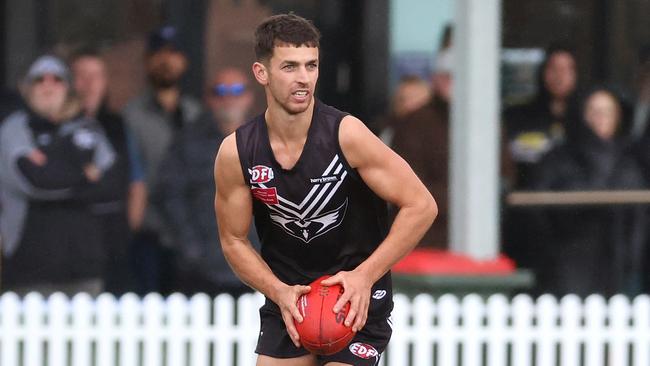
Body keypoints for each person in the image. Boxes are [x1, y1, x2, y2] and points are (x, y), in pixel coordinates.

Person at [214, 14, 437, 365]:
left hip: (354, 295)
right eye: (289, 67)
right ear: (262, 73)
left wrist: (365, 275)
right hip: (290, 296)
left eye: (311, 66)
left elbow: (421, 206)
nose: (303, 78)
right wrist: (278, 291)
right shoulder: (237, 152)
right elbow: (233, 240)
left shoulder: (347, 135)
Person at [0, 55, 115, 296]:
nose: (48, 85)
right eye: (39, 79)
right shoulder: (13, 130)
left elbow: (108, 183)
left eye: (57, 79)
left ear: (68, 88)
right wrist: (83, 175)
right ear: (26, 88)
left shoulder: (88, 128)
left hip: (84, 268)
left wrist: (51, 165)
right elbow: (34, 181)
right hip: (28, 269)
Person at [532, 86, 646, 296]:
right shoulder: (558, 159)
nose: (601, 118)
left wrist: (632, 259)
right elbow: (539, 214)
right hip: (568, 262)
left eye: (608, 112)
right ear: (581, 114)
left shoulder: (629, 161)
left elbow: (638, 219)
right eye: (594, 111)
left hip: (619, 265)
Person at [156, 67, 258, 297]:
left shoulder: (270, 141)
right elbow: (169, 196)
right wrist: (192, 248)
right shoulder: (187, 142)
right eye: (220, 91)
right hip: (202, 272)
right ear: (209, 99)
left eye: (237, 90)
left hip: (260, 268)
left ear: (250, 97)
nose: (229, 98)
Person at [123, 25, 202, 294]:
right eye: (158, 53)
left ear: (184, 61)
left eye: (173, 53)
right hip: (149, 233)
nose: (166, 60)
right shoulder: (131, 116)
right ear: (147, 61)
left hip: (194, 232)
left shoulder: (196, 114)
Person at [71, 49, 145, 295]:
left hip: (113, 236)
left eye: (96, 76)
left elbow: (136, 183)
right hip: (71, 234)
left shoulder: (118, 125)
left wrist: (128, 229)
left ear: (104, 82)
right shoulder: (59, 126)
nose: (89, 84)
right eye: (81, 75)